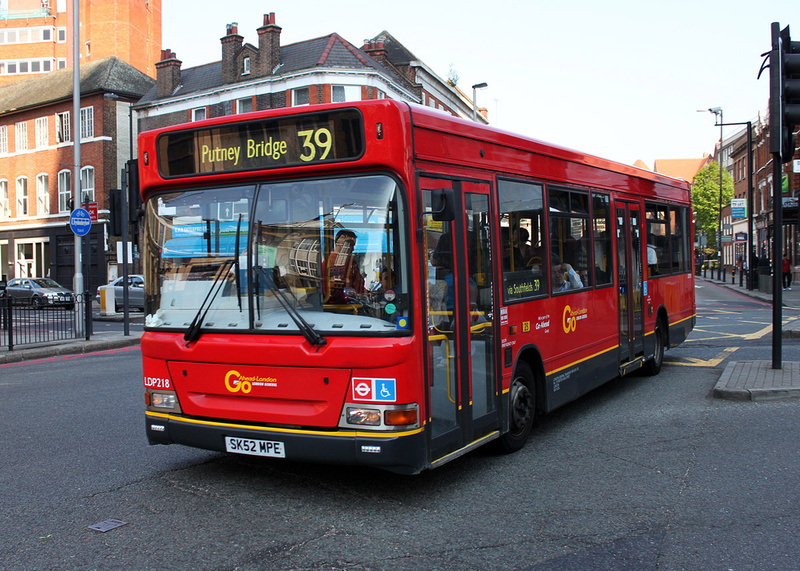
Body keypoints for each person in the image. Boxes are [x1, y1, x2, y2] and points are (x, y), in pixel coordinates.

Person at [325, 229, 365, 304]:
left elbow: (359, 286)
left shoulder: (352, 263)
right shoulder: (329, 262)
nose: (353, 249)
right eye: (350, 245)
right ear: (338, 243)